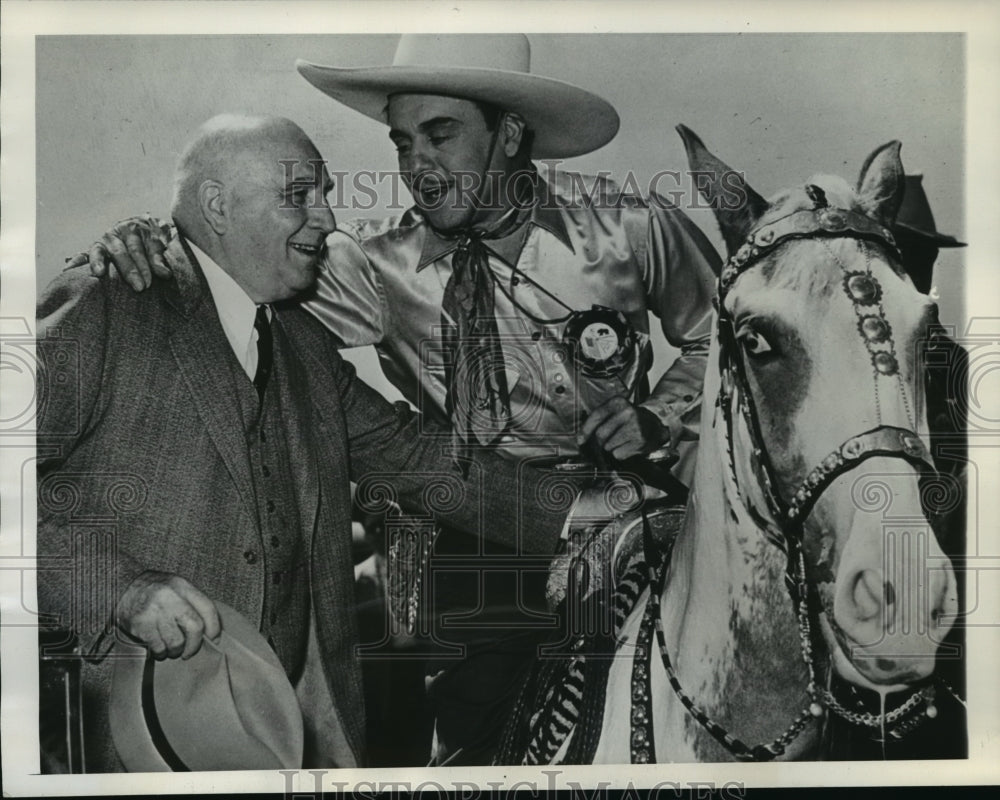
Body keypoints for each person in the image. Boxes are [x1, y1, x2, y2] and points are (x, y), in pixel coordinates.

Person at [76, 33, 720, 764]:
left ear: (509, 134)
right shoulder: (366, 266)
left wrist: (657, 417)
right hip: (477, 530)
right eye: (403, 143)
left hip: (632, 509)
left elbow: (722, 336)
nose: (418, 167)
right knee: (476, 734)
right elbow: (234, 259)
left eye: (440, 136)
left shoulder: (631, 227)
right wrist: (154, 242)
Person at [36, 114, 579, 772]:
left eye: (325, 194)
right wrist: (121, 590)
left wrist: (594, 517)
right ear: (217, 205)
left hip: (280, 744)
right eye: (299, 195)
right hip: (115, 749)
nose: (327, 222)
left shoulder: (304, 346)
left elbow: (422, 460)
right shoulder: (108, 300)